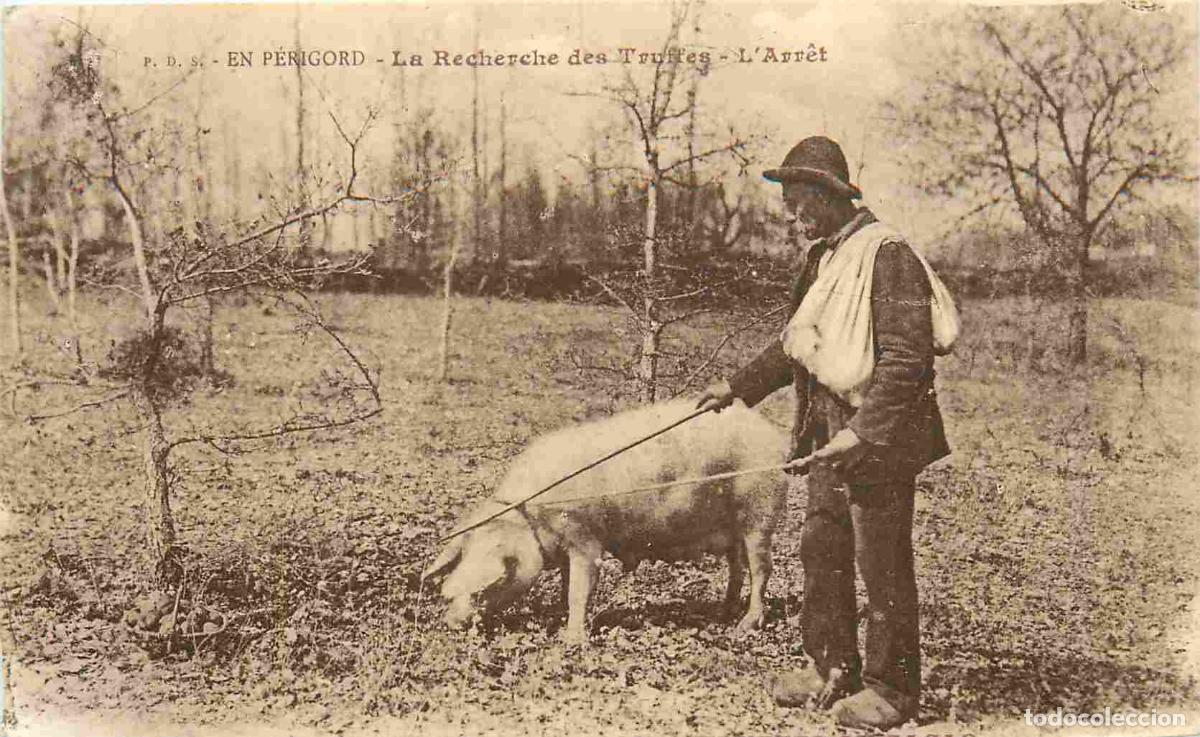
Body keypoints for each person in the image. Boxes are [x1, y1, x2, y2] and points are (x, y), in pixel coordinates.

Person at [696, 136, 956, 730]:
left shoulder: (886, 255)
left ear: (829, 194)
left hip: (879, 437)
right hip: (827, 433)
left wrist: (862, 432)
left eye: (800, 202)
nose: (793, 215)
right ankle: (830, 666)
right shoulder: (824, 259)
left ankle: (892, 690)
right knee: (822, 549)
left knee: (881, 561)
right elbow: (798, 345)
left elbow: (907, 360)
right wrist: (736, 386)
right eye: (788, 204)